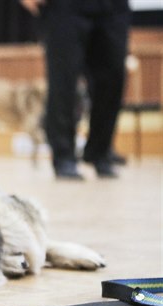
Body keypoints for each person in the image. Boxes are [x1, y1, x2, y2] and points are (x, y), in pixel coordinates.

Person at [21, 0, 131, 179]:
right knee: (63, 81)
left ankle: (100, 151)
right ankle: (64, 156)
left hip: (112, 6)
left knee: (113, 76)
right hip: (65, 6)